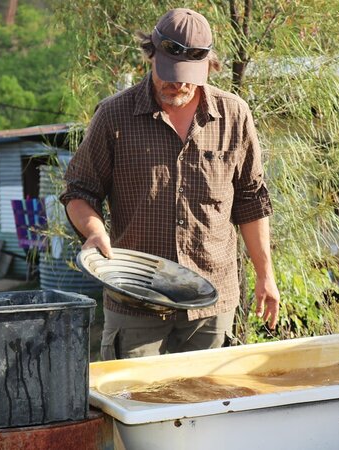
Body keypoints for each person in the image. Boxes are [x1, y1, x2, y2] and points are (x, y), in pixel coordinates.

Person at [61, 8, 280, 360]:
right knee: (134, 405)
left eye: (186, 76)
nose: (175, 83)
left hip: (212, 305)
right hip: (135, 302)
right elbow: (79, 191)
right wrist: (93, 231)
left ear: (209, 66)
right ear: (151, 55)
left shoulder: (234, 115)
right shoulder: (113, 116)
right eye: (167, 72)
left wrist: (265, 275)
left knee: (208, 405)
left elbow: (251, 201)